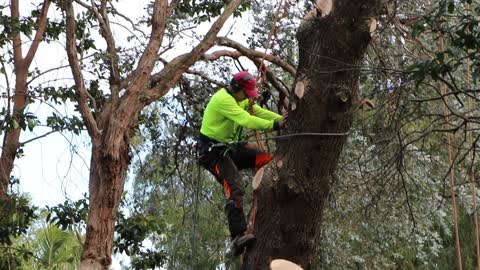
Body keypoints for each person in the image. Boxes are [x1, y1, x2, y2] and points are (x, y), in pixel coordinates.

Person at [198, 71, 287, 256]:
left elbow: (257, 111)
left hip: (231, 148)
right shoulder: (223, 100)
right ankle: (238, 237)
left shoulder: (240, 98)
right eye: (246, 93)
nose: (248, 97)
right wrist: (275, 126)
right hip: (213, 153)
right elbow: (246, 119)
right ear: (237, 88)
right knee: (235, 186)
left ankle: (275, 191)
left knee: (267, 160)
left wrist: (279, 119)